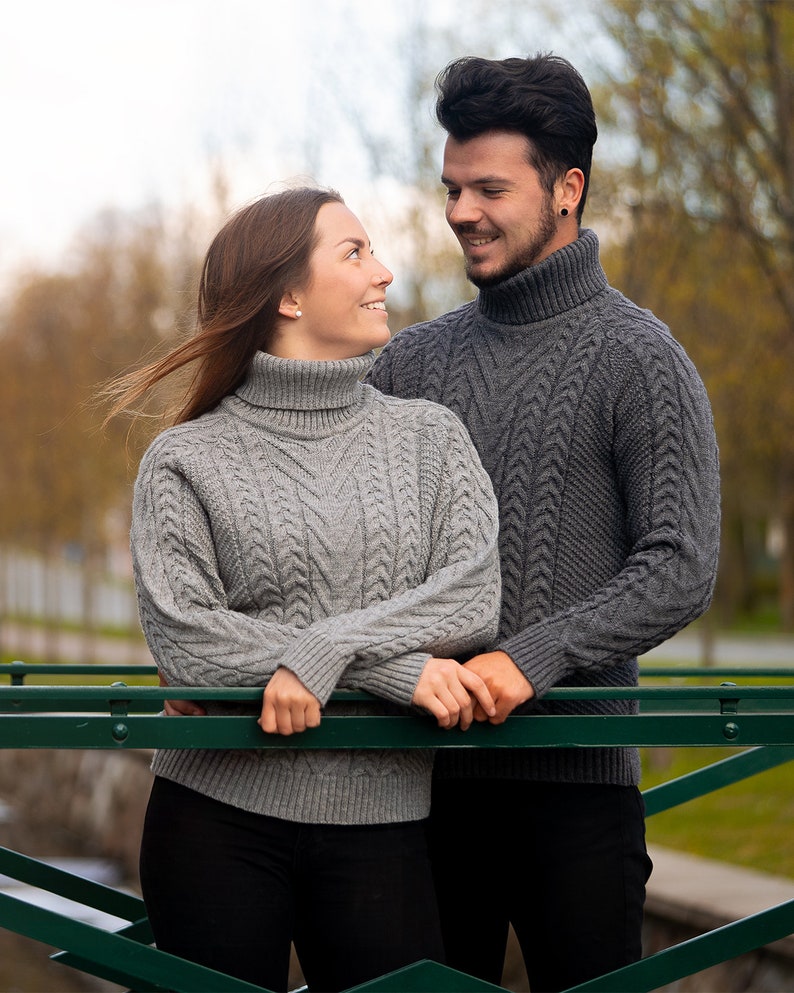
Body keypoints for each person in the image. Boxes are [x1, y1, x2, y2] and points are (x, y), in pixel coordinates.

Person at [366, 54, 721, 992]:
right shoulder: (406, 365)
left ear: (568, 188)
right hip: (419, 782)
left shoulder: (642, 357)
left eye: (489, 187)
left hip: (579, 792)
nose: (460, 211)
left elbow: (681, 562)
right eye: (451, 188)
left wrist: (536, 655)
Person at [106, 186, 502, 993]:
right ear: (287, 294)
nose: (384, 271)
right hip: (214, 818)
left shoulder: (431, 436)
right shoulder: (185, 460)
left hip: (385, 826)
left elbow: (471, 598)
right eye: (354, 252)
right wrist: (390, 667)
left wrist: (321, 650)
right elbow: (190, 644)